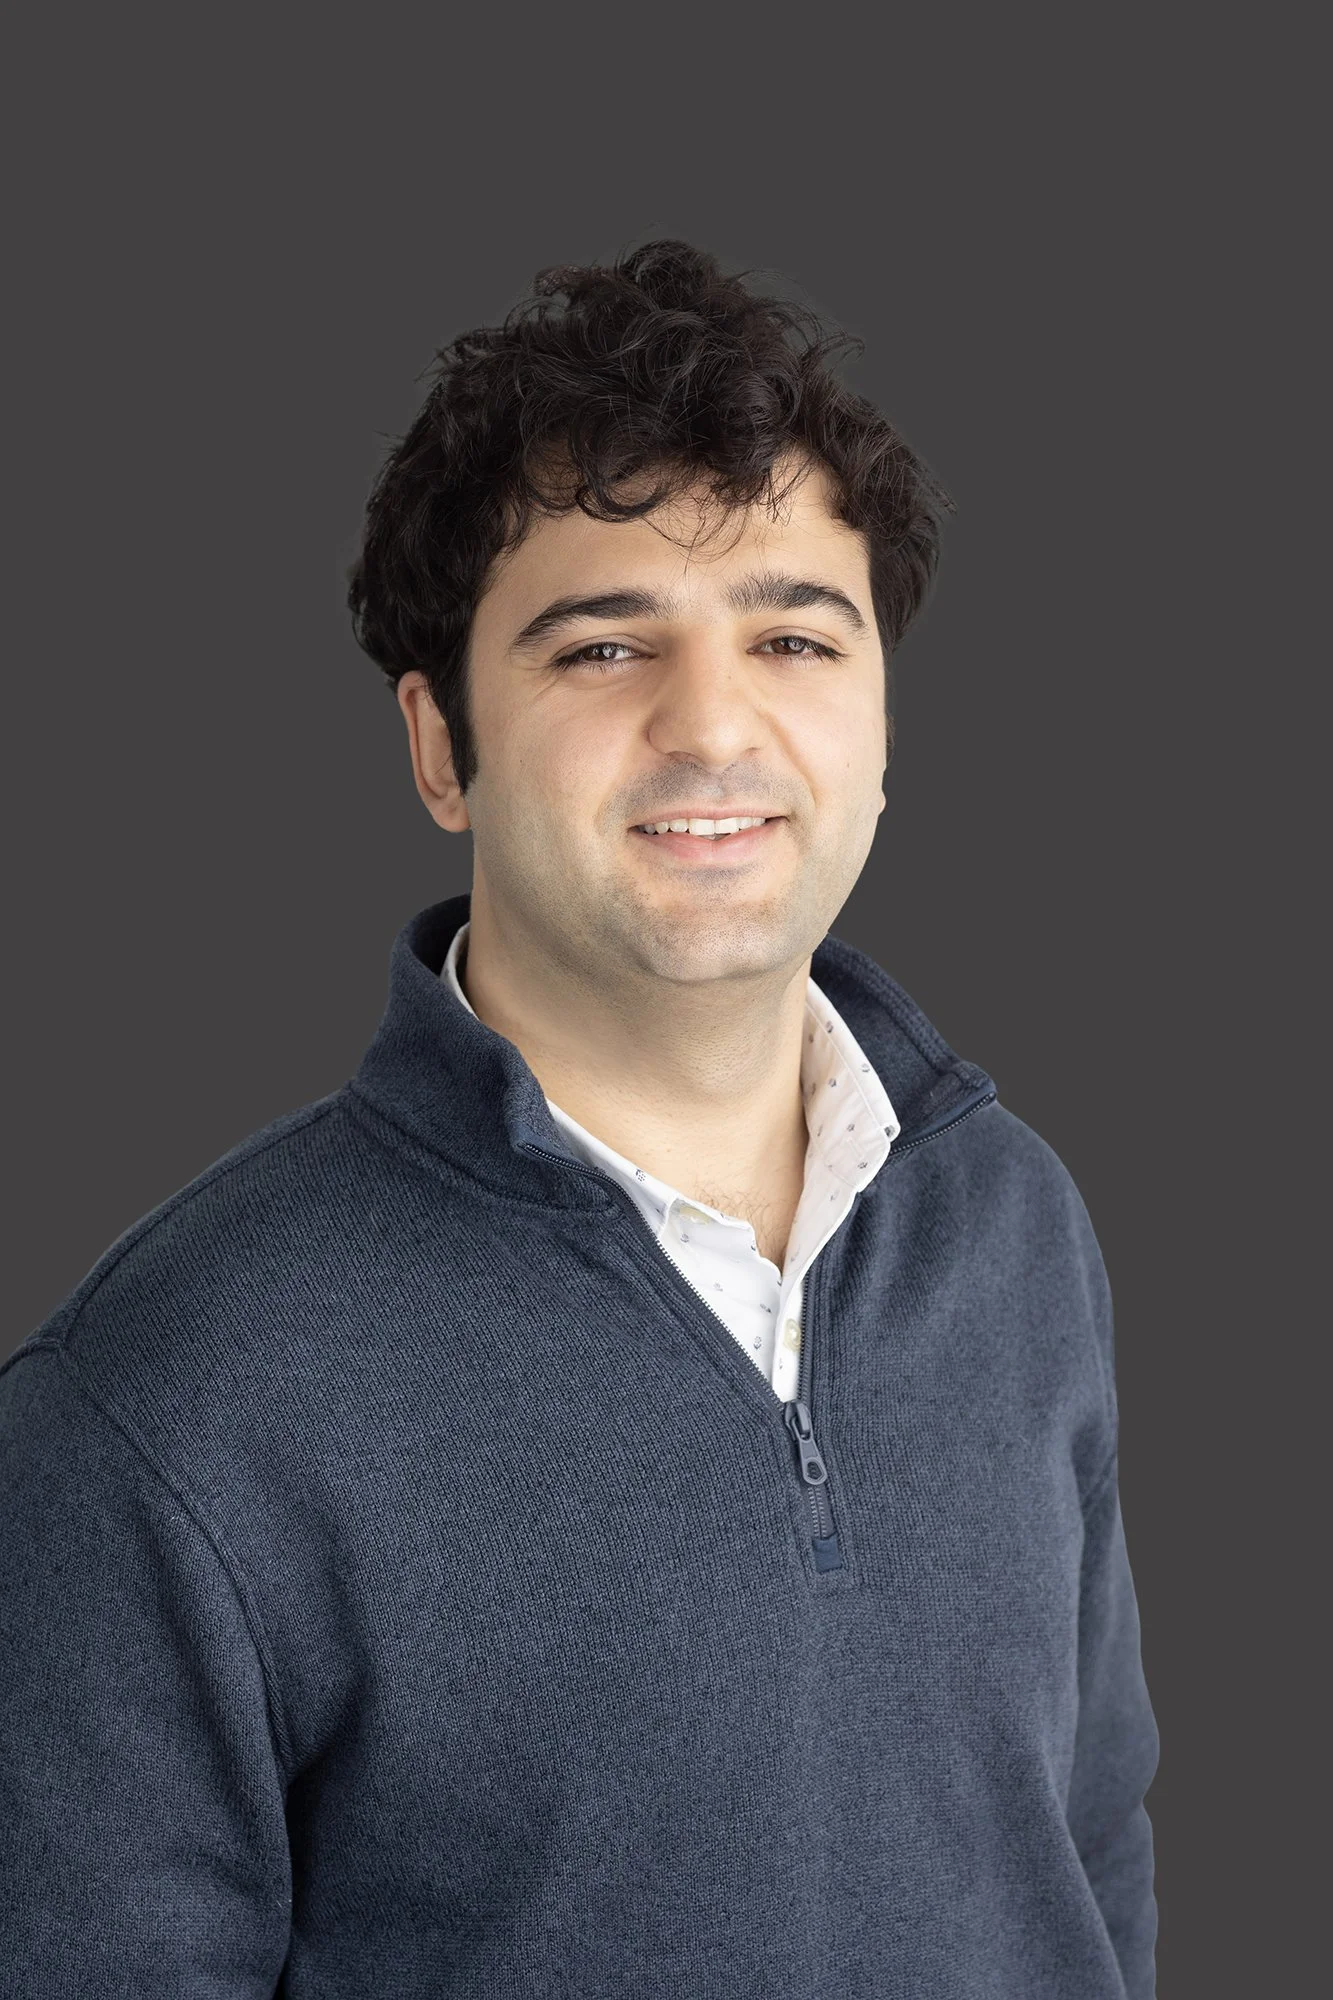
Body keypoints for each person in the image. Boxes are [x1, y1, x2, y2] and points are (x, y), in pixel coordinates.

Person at [0, 239, 1160, 1997]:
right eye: (603, 646)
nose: (714, 724)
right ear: (440, 748)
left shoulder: (1012, 1225)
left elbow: (1086, 1851)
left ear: (883, 726)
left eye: (793, 635)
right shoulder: (163, 1402)